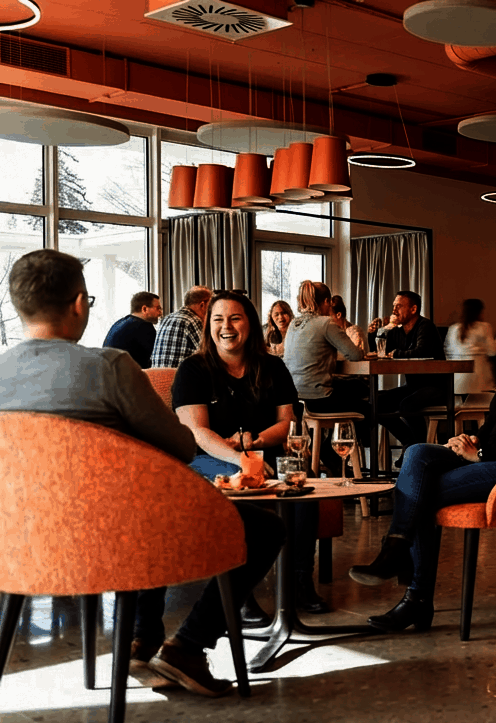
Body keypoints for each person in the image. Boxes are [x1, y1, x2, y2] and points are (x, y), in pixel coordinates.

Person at [0, 250, 284, 698]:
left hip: (19, 542)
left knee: (142, 508)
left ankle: (142, 635)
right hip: (112, 539)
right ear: (79, 304)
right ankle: (188, 646)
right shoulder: (109, 366)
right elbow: (181, 446)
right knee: (264, 527)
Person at [346, 289, 496, 632]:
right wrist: (473, 439)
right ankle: (396, 550)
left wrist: (481, 454)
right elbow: (495, 424)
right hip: (494, 458)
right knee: (417, 452)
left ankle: (415, 597)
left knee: (422, 491)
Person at [172, 291, 329, 616]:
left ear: (251, 325)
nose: (226, 327)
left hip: (260, 453)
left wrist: (255, 443)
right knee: (239, 481)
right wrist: (241, 460)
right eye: (218, 319)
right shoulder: (193, 369)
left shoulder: (272, 367)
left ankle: (299, 580)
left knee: (302, 481)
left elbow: (287, 423)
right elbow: (197, 432)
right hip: (207, 458)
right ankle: (239, 591)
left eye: (235, 318)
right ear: (208, 326)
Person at [284, 281, 368, 470]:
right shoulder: (326, 323)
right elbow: (355, 354)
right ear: (327, 302)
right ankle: (341, 458)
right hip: (319, 399)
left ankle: (332, 459)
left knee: (355, 390)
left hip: (297, 399)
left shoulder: (293, 324)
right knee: (367, 406)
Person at [373, 290, 446, 449]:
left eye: (399, 306)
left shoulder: (425, 326)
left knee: (407, 405)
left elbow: (423, 351)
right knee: (377, 402)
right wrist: (375, 333)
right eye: (394, 306)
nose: (394, 310)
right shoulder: (397, 331)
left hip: (436, 387)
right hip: (413, 386)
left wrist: (396, 354)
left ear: (413, 309)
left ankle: (420, 449)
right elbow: (383, 353)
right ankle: (409, 443)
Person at [444, 298, 496, 398]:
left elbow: (448, 352)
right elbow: (492, 351)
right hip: (478, 376)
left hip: (457, 378)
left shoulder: (453, 328)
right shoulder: (484, 327)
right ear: (479, 312)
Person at [150, 285, 211, 369]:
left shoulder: (167, 318)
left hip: (158, 375)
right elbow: (209, 355)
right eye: (211, 305)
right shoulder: (193, 321)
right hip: (179, 375)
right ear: (202, 305)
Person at [103, 291, 163, 368]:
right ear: (144, 309)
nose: (160, 313)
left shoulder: (119, 323)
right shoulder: (143, 326)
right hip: (127, 374)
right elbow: (160, 356)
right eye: (158, 308)